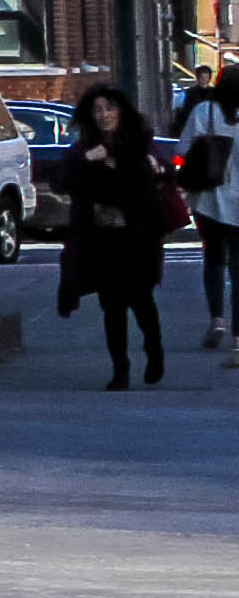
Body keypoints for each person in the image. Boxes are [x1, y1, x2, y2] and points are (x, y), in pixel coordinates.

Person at [55, 85, 181, 391]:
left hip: (138, 238)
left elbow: (153, 180)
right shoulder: (85, 148)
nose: (104, 115)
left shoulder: (138, 144)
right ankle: (120, 370)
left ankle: (154, 352)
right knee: (111, 307)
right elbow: (61, 181)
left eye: (109, 108)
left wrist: (125, 167)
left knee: (141, 301)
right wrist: (88, 159)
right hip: (102, 239)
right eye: (98, 110)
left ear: (120, 111)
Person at [179, 64, 239, 355]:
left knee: (214, 261)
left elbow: (182, 149)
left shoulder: (205, 111)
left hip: (208, 200)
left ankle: (217, 319)